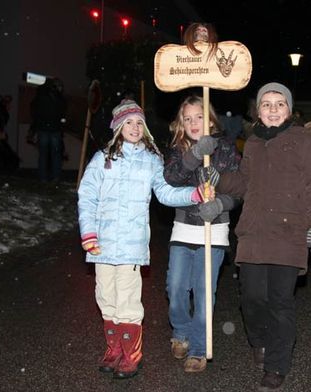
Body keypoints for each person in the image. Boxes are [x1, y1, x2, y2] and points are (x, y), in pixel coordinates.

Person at [199, 82, 311, 391]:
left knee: (280, 301)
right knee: (252, 298)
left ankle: (276, 366)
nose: (273, 109)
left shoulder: (304, 141)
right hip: (255, 232)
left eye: (279, 103)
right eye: (266, 104)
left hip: (289, 231)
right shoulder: (254, 142)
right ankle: (258, 340)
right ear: (258, 111)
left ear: (289, 109)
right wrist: (219, 179)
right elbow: (246, 184)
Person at [77, 99, 205, 380]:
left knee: (128, 301)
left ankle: (131, 355)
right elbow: (87, 196)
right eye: (129, 123)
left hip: (132, 245)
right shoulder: (103, 159)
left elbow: (165, 192)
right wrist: (88, 232)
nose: (135, 127)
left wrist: (192, 194)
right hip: (102, 243)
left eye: (139, 123)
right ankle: (113, 349)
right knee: (105, 298)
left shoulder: (151, 160)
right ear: (118, 127)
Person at [163, 95, 241, 372]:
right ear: (180, 124)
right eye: (188, 118)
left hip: (214, 230)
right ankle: (181, 331)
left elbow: (239, 190)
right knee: (175, 287)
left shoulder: (227, 149)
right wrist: (195, 154)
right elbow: (172, 178)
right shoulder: (177, 148)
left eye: (199, 117)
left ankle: (197, 348)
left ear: (209, 119)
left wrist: (221, 202)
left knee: (205, 293)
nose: (194, 123)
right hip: (184, 228)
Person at [30, 78, 67, 182]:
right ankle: (55, 177)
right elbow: (62, 112)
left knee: (44, 154)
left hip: (44, 128)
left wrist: (37, 125)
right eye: (60, 86)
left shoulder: (41, 96)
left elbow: (34, 110)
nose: (61, 89)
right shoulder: (58, 98)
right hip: (53, 129)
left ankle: (43, 177)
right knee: (54, 154)